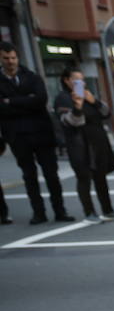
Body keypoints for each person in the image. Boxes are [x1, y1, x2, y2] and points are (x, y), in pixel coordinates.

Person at [0, 42, 73, 224]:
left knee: (51, 174)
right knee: (29, 175)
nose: (11, 62)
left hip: (41, 133)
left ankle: (59, 210)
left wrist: (11, 102)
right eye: (6, 58)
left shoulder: (32, 77)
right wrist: (26, 101)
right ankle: (38, 212)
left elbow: (40, 100)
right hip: (18, 136)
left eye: (13, 58)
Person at [53, 67, 114, 223]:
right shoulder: (63, 98)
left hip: (98, 142)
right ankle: (89, 212)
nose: (80, 83)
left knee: (101, 177)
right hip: (79, 144)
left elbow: (106, 113)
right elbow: (72, 122)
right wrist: (77, 106)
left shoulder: (88, 95)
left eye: (82, 80)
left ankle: (108, 209)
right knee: (84, 178)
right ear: (67, 80)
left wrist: (94, 101)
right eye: (76, 80)